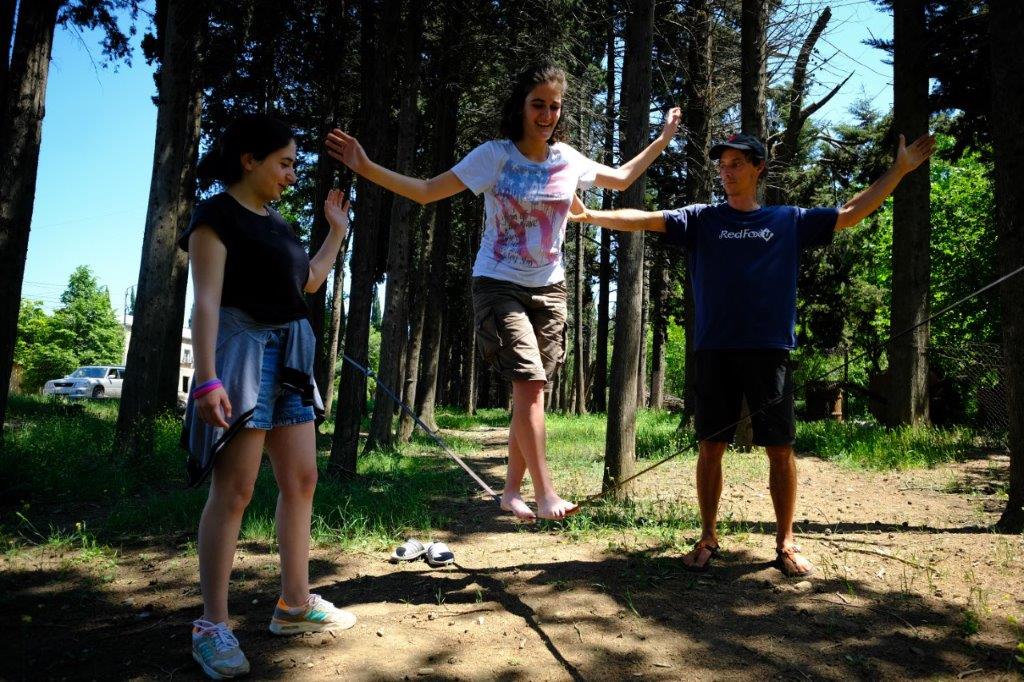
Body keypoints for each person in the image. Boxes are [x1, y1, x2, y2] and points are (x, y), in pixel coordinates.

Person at [325, 62, 681, 521]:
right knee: (530, 384)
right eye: (538, 105)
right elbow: (427, 191)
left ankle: (511, 490)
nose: (547, 115)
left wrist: (664, 137)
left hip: (550, 290)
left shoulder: (568, 160)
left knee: (531, 393)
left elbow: (623, 178)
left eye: (554, 107)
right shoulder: (494, 156)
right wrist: (366, 166)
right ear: (520, 106)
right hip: (497, 284)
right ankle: (545, 492)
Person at [571, 130, 936, 576]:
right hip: (715, 350)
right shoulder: (701, 218)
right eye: (722, 166)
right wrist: (591, 215)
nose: (727, 173)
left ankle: (785, 543)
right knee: (710, 447)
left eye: (736, 165)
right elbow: (644, 219)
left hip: (769, 351)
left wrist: (898, 170)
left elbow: (850, 213)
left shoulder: (787, 219)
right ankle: (707, 537)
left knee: (780, 449)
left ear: (758, 168)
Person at [179, 114, 356, 679]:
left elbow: (308, 282)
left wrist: (335, 231)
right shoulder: (216, 215)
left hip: (291, 358)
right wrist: (205, 379)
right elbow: (205, 301)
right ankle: (212, 624)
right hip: (243, 354)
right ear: (249, 160)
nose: (291, 173)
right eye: (284, 163)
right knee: (235, 490)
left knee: (301, 479)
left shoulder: (279, 225)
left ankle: (293, 606)